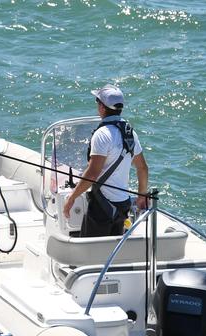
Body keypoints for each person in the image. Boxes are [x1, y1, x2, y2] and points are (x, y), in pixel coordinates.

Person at [63, 84, 149, 237]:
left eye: (97, 102)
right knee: (112, 251)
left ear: (102, 107)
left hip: (102, 207)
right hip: (123, 206)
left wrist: (72, 197)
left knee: (90, 251)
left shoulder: (102, 134)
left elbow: (92, 175)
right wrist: (142, 196)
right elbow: (142, 168)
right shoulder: (130, 133)